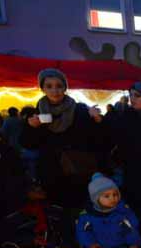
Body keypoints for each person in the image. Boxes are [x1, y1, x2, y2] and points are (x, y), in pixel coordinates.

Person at [20, 69, 109, 209]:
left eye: (59, 86)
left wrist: (97, 120)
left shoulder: (79, 109)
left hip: (77, 170)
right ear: (42, 88)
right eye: (49, 86)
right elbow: (28, 144)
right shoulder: (37, 113)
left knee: (78, 208)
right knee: (56, 210)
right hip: (51, 172)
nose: (54, 90)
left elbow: (97, 139)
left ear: (65, 88)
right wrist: (31, 127)